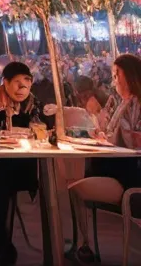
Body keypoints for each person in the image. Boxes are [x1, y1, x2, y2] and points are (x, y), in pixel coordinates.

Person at [69, 53, 141, 262]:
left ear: (130, 76)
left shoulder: (135, 104)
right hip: (118, 166)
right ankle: (86, 244)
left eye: (116, 75)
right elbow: (113, 134)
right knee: (80, 177)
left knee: (75, 187)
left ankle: (85, 244)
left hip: (129, 174)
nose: (113, 81)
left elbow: (131, 140)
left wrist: (107, 137)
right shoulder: (123, 102)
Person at [0, 61, 40, 264]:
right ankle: (2, 243)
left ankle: (0, 245)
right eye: (17, 83)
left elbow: (40, 129)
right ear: (5, 83)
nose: (22, 89)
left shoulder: (32, 103)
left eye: (27, 83)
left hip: (22, 163)